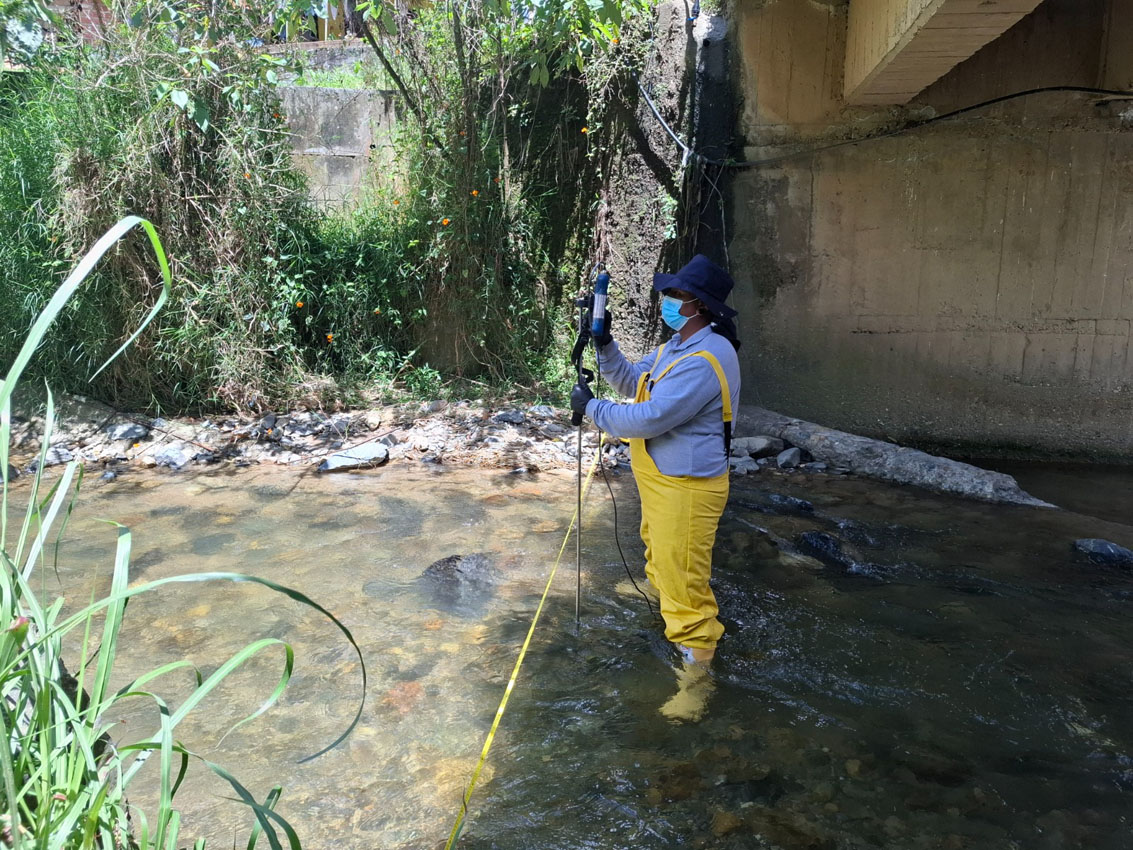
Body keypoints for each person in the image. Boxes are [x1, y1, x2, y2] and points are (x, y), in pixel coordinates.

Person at [570, 254, 741, 717]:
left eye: (675, 295)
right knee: (658, 549)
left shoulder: (707, 358)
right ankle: (658, 589)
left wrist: (591, 409)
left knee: (685, 574)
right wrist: (604, 346)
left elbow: (649, 418)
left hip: (688, 486)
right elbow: (633, 383)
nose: (666, 300)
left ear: (699, 305)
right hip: (663, 478)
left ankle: (698, 675)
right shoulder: (675, 347)